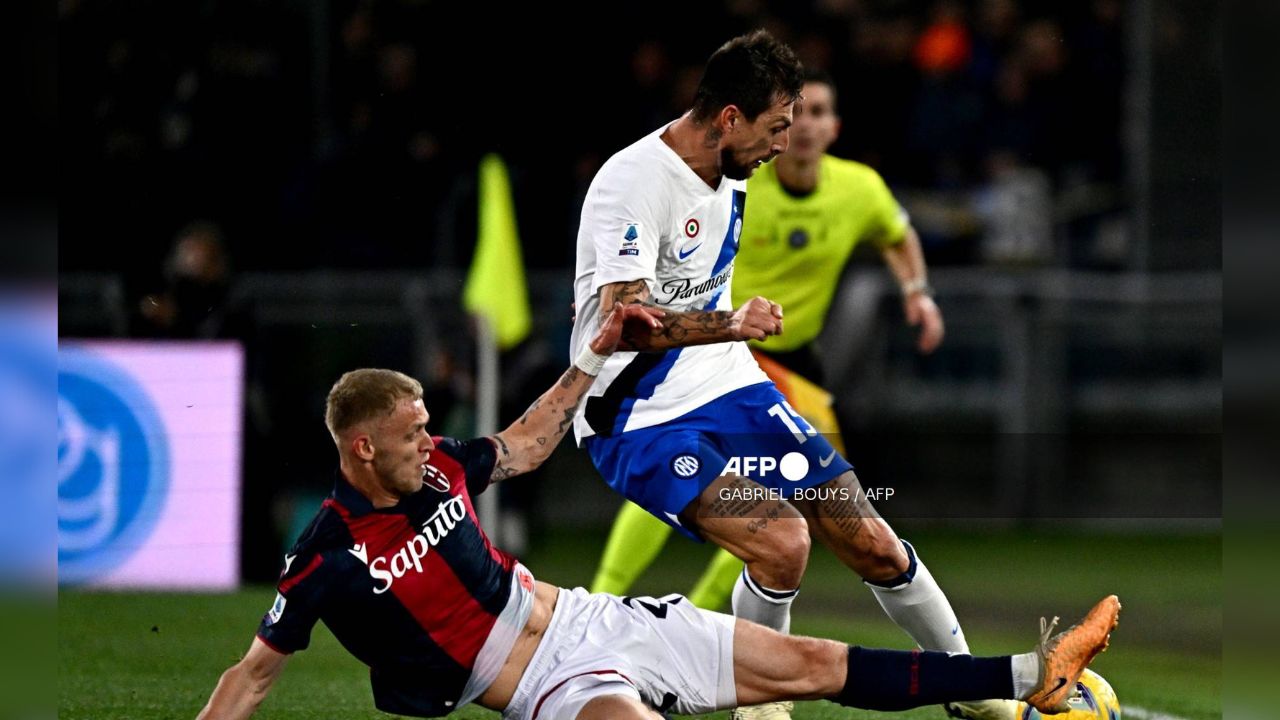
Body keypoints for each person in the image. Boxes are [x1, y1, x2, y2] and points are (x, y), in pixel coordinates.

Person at [195, 302, 1122, 719]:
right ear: (361, 447)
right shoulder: (324, 550)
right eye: (412, 430)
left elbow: (521, 442)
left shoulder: (438, 467)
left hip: (588, 618)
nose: (430, 438)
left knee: (813, 664)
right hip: (552, 691)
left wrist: (591, 361)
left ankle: (1029, 673)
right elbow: (253, 677)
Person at [569, 33, 983, 720]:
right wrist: (732, 321)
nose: (784, 144)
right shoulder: (632, 181)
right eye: (777, 128)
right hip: (634, 409)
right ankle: (754, 704)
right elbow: (623, 322)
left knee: (868, 537)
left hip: (728, 381)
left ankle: (975, 691)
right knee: (781, 540)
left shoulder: (737, 168)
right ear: (730, 118)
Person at [591, 67, 946, 613]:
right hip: (719, 347)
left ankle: (704, 611)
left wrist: (917, 293)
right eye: (794, 115)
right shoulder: (739, 175)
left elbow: (898, 236)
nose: (802, 128)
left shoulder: (859, 189)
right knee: (710, 469)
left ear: (835, 128)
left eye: (819, 113)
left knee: (784, 493)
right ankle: (610, 595)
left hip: (796, 357)